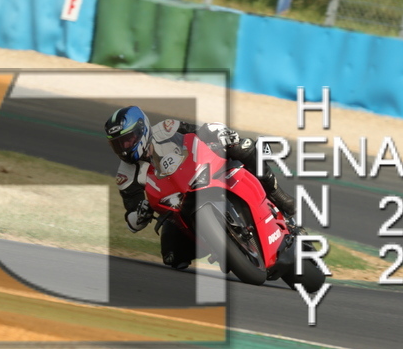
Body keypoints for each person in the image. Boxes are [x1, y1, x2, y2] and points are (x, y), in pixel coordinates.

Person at [104, 105, 295, 269]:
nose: (124, 148)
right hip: (176, 205)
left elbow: (202, 131)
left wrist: (220, 134)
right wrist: (141, 213)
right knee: (172, 258)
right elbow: (132, 220)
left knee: (242, 146)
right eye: (117, 144)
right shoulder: (125, 175)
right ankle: (222, 248)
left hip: (204, 172)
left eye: (127, 140)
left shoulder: (166, 129)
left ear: (142, 130)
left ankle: (277, 194)